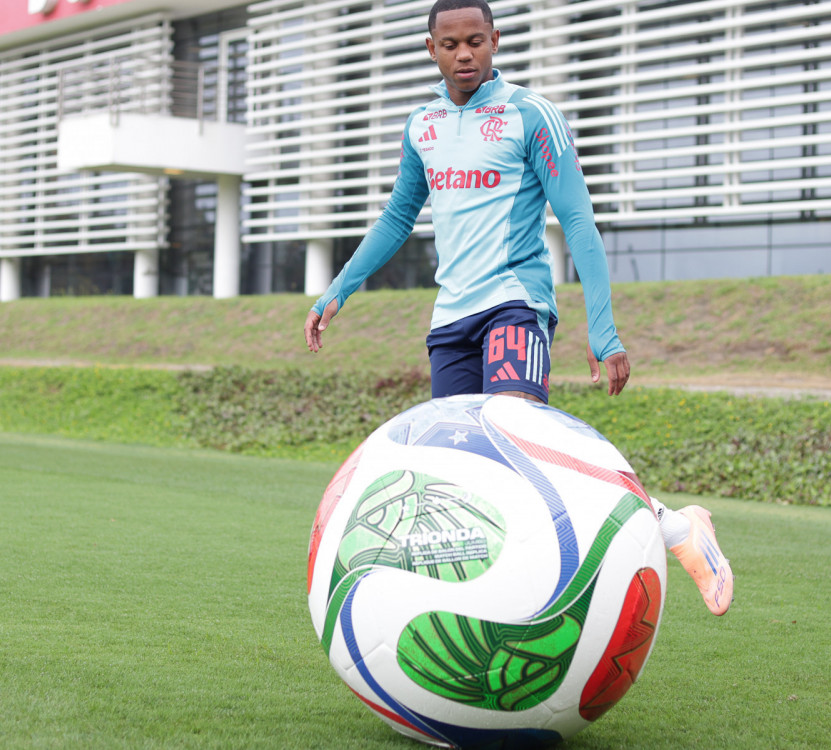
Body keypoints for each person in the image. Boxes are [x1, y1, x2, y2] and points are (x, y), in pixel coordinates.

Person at [305, 0, 732, 616]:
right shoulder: (421, 124)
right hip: (449, 322)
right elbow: (399, 214)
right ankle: (496, 602)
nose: (464, 55)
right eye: (450, 44)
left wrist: (603, 328)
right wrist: (336, 291)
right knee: (464, 471)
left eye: (475, 41)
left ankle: (678, 531)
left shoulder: (531, 116)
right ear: (431, 49)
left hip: (515, 305)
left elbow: (579, 220)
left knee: (519, 443)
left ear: (495, 40)